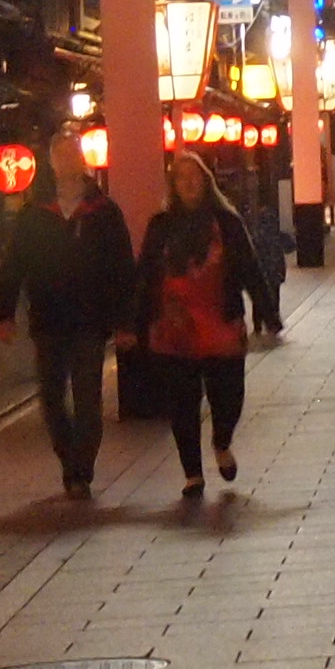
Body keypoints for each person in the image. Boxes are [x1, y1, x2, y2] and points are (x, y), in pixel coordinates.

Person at [0, 135, 135, 499]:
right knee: (52, 397)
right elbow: (13, 264)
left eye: (73, 153)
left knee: (88, 397)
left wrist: (125, 321)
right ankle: (68, 458)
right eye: (61, 155)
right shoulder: (35, 213)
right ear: (52, 162)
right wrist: (5, 313)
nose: (68, 161)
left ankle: (81, 469)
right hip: (48, 319)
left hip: (90, 320)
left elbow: (122, 268)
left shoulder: (103, 211)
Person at [132, 149, 259, 500]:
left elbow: (247, 265)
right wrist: (134, 321)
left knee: (229, 393)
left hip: (221, 322)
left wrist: (265, 306)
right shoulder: (161, 225)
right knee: (182, 402)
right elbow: (146, 274)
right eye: (181, 178)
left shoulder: (227, 222)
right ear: (173, 185)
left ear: (206, 181)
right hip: (176, 327)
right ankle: (192, 473)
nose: (189, 184)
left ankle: (222, 441)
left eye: (195, 176)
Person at [243, 169, 292, 341]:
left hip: (262, 260)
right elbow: (276, 237)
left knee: (261, 291)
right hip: (272, 260)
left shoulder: (250, 218)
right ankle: (272, 322)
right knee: (271, 291)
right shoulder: (269, 216)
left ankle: (260, 325)